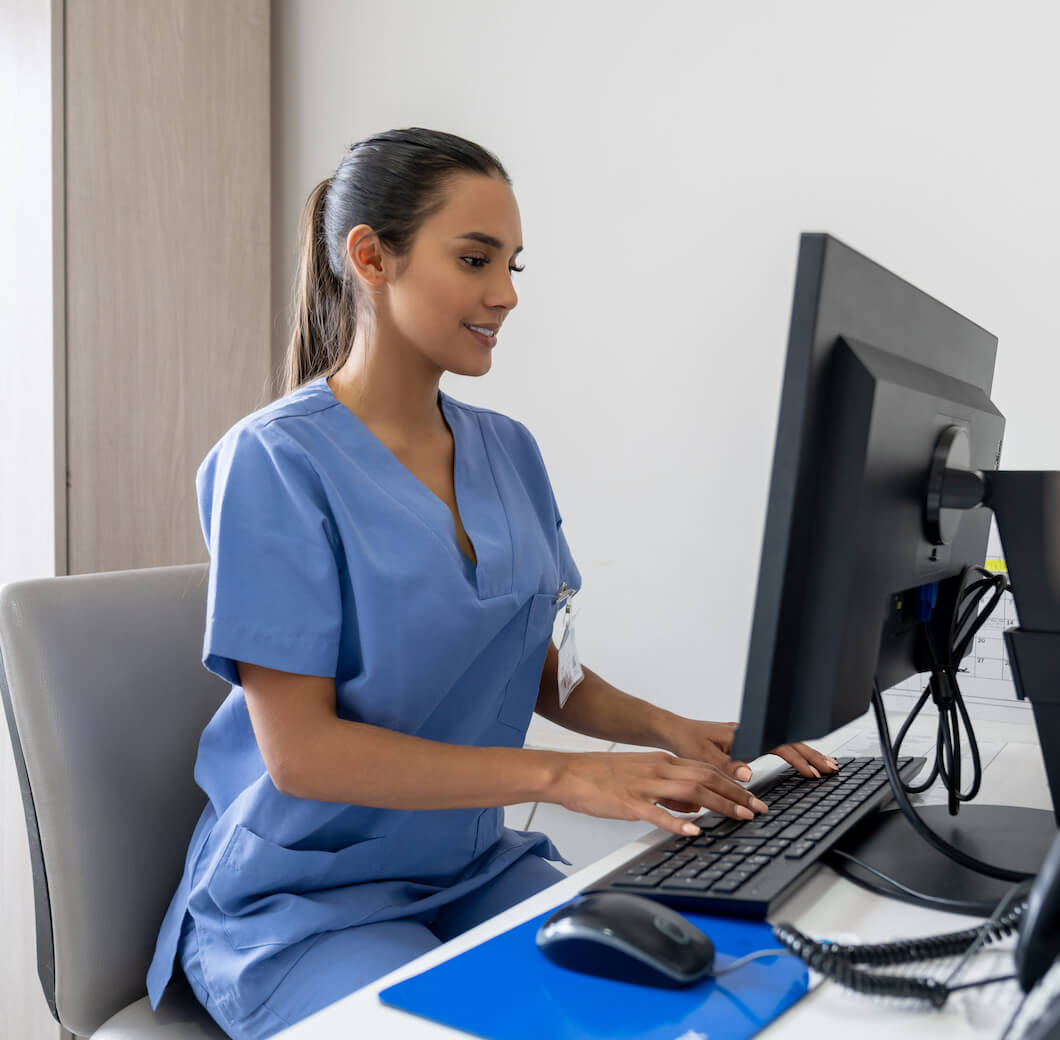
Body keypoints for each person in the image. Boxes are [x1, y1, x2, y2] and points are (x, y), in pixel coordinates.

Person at [147, 128, 837, 1039]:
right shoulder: (274, 462)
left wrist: (678, 733)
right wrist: (565, 776)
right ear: (371, 257)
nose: (505, 294)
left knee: (693, 1008)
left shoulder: (508, 450)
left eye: (513, 264)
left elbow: (526, 657)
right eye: (475, 259)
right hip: (304, 902)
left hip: (468, 867)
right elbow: (301, 754)